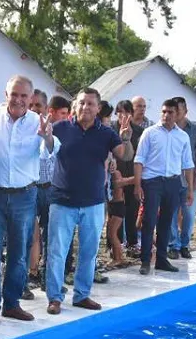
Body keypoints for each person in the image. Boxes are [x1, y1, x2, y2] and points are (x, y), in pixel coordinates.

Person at [44, 88, 133, 314]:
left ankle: (82, 295)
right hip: (62, 201)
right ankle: (54, 297)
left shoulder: (107, 133)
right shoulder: (60, 129)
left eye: (90, 104)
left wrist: (126, 138)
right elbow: (47, 148)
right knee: (56, 252)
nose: (86, 107)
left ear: (98, 108)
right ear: (75, 106)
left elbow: (125, 155)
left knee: (89, 251)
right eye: (82, 103)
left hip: (93, 203)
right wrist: (45, 136)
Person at [0, 75, 53, 326]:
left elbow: (52, 150)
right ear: (6, 94)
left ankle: (11, 304)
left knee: (19, 253)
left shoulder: (38, 122)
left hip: (24, 195)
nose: (19, 99)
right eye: (14, 94)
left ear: (31, 98)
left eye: (24, 95)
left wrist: (47, 137)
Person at [134, 98, 193, 275]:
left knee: (167, 222)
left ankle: (161, 259)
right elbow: (139, 159)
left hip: (173, 182)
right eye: (164, 111)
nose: (166, 115)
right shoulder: (150, 133)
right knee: (149, 220)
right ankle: (145, 261)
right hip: (152, 181)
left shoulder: (183, 136)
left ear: (177, 114)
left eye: (170, 112)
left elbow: (188, 164)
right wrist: (137, 185)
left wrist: (190, 188)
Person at [29, 95, 72, 282]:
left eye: (38, 105)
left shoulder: (61, 131)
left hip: (51, 188)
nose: (34, 108)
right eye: (31, 105)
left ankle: (49, 278)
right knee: (27, 235)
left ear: (47, 108)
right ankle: (27, 276)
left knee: (52, 236)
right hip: (28, 189)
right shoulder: (20, 129)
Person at [167, 97, 196, 261]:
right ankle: (173, 245)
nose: (175, 113)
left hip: (190, 180)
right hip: (170, 179)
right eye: (172, 110)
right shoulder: (166, 129)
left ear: (185, 111)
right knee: (171, 214)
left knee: (190, 215)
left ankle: (185, 245)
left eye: (178, 110)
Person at [118, 96, 147, 254]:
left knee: (132, 210)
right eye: (121, 113)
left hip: (133, 177)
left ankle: (132, 242)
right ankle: (115, 244)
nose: (124, 116)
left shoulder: (140, 132)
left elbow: (142, 158)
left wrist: (137, 180)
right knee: (116, 214)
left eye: (127, 112)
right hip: (116, 178)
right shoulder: (111, 130)